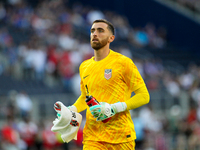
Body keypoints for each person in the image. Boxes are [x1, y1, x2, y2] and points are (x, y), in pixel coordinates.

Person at [67, 19, 150, 150]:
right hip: (93, 137)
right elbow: (85, 97)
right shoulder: (84, 66)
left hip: (120, 135)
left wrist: (114, 108)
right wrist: (71, 109)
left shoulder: (123, 63)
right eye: (92, 30)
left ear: (111, 38)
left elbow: (144, 96)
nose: (95, 34)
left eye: (100, 31)